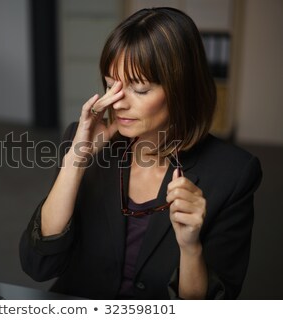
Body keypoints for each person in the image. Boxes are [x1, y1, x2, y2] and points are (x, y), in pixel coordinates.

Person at [19, 7, 262, 299]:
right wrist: (75, 160)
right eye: (111, 85)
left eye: (140, 89)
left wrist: (190, 246)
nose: (118, 103)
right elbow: (39, 265)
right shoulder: (83, 142)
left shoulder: (233, 174)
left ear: (181, 90)